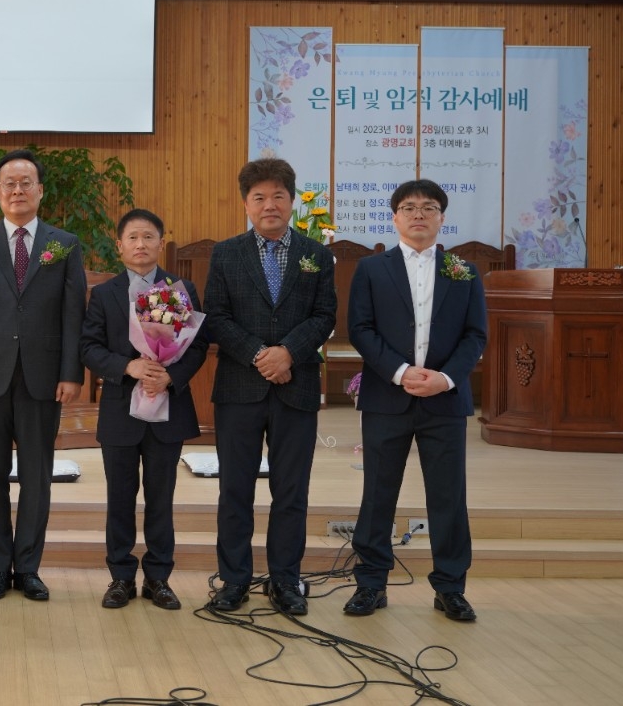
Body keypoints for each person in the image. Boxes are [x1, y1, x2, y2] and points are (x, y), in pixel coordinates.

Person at [342, 180, 487, 622]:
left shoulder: (463, 270)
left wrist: (445, 378)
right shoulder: (371, 268)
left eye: (428, 207)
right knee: (377, 493)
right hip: (388, 397)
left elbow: (475, 334)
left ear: (442, 217)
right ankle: (371, 584)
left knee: (448, 497)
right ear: (395, 217)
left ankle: (450, 588)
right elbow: (360, 329)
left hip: (445, 400)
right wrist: (401, 372)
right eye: (409, 207)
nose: (419, 214)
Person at [0, 149, 87, 601]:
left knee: (37, 476)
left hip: (43, 377)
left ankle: (28, 568)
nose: (17, 190)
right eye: (9, 183)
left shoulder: (64, 243)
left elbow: (73, 313)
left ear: (40, 190)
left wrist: (71, 372)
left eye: (26, 182)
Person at [204, 158, 336, 616]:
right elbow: (216, 315)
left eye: (278, 196)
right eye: (259, 197)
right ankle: (234, 580)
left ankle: (285, 580)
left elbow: (325, 315)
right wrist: (261, 355)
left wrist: (288, 354)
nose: (269, 205)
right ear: (246, 204)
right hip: (239, 387)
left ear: (292, 200)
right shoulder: (226, 253)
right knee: (234, 491)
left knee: (291, 491)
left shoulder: (316, 254)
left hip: (296, 387)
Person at [79, 209, 210, 611]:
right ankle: (121, 576)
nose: (141, 244)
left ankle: (158, 578)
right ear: (119, 246)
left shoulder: (181, 288)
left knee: (161, 497)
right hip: (121, 410)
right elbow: (89, 347)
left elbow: (199, 346)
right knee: (120, 498)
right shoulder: (105, 294)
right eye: (133, 237)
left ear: (161, 243)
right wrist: (128, 367)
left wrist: (170, 376)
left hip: (168, 409)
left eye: (149, 237)